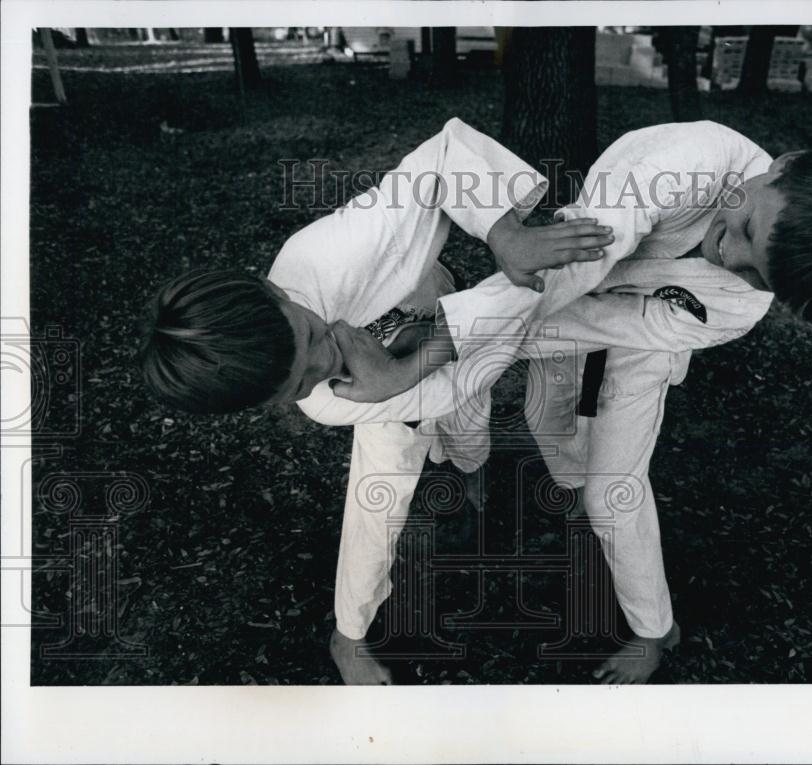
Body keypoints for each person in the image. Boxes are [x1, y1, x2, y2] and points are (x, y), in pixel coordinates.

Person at [333, 121, 812, 683]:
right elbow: (564, 276)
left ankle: (653, 629)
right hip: (582, 261)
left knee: (613, 488)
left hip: (645, 328)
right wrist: (440, 350)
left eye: (758, 275)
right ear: (783, 167)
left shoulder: (739, 304)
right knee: (522, 402)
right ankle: (451, 501)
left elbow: (601, 321)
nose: (729, 256)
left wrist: (434, 352)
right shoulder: (684, 164)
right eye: (746, 227)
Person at [139, 117, 617, 684]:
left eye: (312, 335)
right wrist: (395, 378)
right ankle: (349, 636)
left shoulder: (322, 257)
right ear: (272, 402)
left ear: (273, 291)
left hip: (437, 304)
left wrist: (505, 236)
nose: (328, 362)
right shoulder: (327, 399)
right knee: (379, 497)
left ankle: (471, 478)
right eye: (298, 383)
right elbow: (428, 391)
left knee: (469, 423)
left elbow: (442, 157)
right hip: (412, 372)